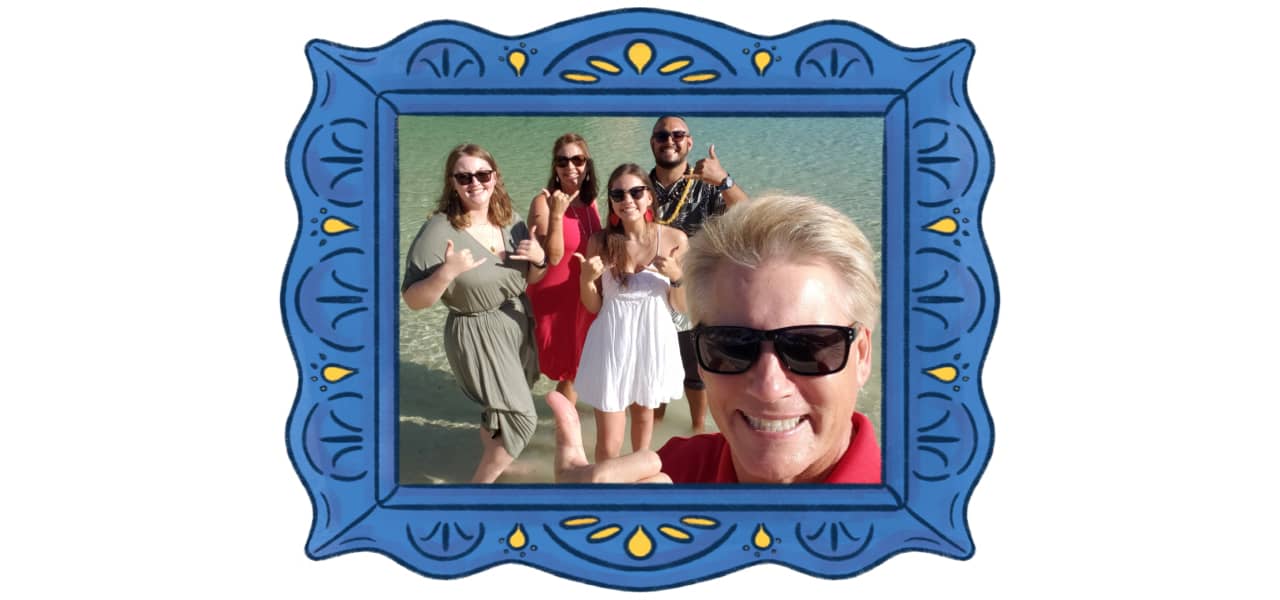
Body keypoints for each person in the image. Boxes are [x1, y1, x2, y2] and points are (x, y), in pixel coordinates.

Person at [549, 195, 881, 484]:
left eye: (807, 347)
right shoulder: (670, 473)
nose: (769, 387)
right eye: (732, 345)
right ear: (701, 357)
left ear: (862, 356)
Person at [401, 143, 548, 484]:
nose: (475, 183)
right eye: (464, 177)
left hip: (515, 321)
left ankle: (500, 462)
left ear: (495, 177)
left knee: (499, 409)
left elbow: (528, 279)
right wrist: (445, 274)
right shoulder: (439, 231)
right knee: (521, 417)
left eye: (482, 174)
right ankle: (479, 488)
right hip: (477, 330)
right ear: (452, 182)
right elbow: (413, 300)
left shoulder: (510, 221)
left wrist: (539, 259)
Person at [572, 163, 689, 464]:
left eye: (636, 192)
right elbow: (594, 306)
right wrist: (585, 279)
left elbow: (681, 306)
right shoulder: (600, 242)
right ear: (611, 202)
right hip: (612, 344)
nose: (628, 200)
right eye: (618, 194)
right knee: (608, 447)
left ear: (649, 197)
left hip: (651, 343)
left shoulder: (675, 240)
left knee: (642, 437)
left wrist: (677, 276)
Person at [646, 115, 748, 433]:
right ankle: (657, 432)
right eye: (662, 135)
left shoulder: (706, 188)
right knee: (654, 370)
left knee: (696, 371)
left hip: (695, 289)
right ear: (652, 143)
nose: (669, 141)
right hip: (649, 292)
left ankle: (697, 431)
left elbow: (749, 215)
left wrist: (723, 180)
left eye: (678, 135)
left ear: (689, 142)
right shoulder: (639, 186)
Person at [525, 134, 604, 406]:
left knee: (576, 368)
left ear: (587, 164)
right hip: (551, 299)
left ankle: (562, 431)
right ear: (555, 167)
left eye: (578, 159)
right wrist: (558, 214)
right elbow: (553, 257)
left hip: (581, 296)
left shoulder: (591, 201)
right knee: (537, 368)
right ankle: (524, 426)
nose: (570, 167)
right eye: (563, 161)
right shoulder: (543, 202)